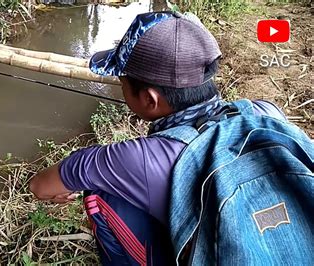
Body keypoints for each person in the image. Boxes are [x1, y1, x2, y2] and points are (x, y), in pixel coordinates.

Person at [28, 11, 296, 265]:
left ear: (150, 99)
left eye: (123, 85)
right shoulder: (265, 112)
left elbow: (40, 187)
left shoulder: (132, 160)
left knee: (100, 193)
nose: (122, 90)